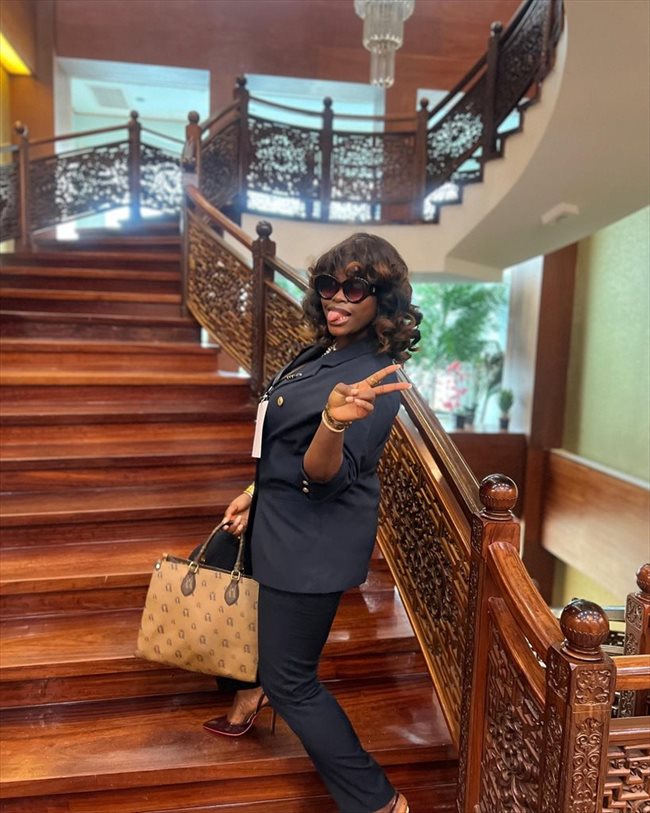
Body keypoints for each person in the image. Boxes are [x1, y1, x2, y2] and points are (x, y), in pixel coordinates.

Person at [203, 233, 421, 813]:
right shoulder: (321, 352)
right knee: (253, 629)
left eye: (355, 287)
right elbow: (279, 440)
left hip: (311, 545)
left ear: (383, 299)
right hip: (277, 520)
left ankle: (380, 801)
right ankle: (249, 695)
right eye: (328, 284)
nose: (337, 297)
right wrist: (254, 492)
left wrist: (333, 422)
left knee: (294, 682)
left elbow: (325, 475)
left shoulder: (376, 377)